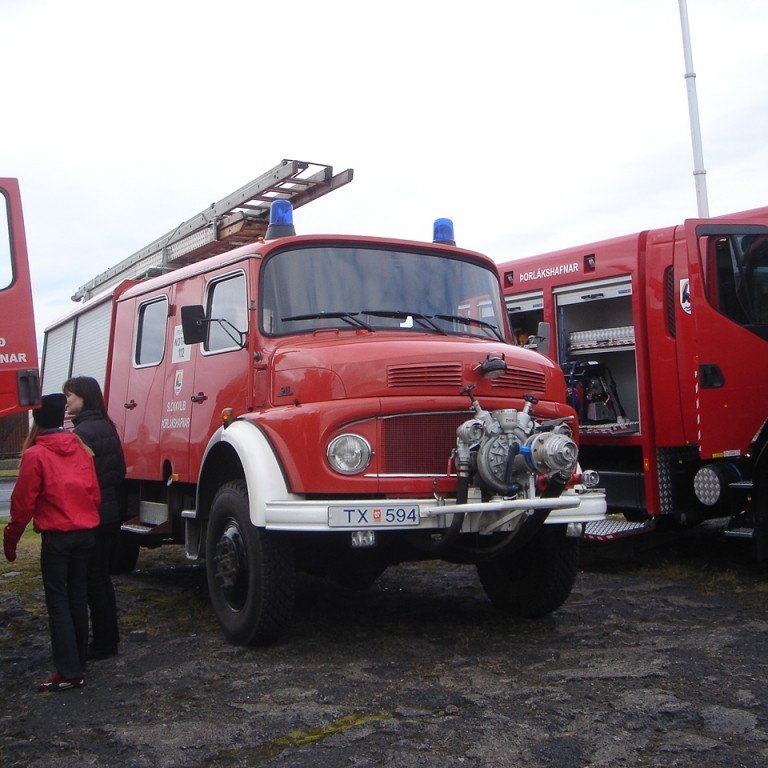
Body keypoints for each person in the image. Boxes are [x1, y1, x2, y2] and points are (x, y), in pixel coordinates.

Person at [3, 393, 101, 692]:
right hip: (85, 532)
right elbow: (94, 493)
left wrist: (12, 539)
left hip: (58, 536)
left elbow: (23, 503)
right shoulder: (81, 449)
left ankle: (69, 671)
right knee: (77, 595)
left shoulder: (35, 455)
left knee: (58, 601)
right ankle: (78, 662)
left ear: (36, 420)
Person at [63, 376, 127, 661]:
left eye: (70, 396)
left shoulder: (81, 434)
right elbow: (119, 470)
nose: (67, 402)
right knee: (102, 578)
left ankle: (102, 643)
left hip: (90, 515)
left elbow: (75, 479)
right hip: (110, 512)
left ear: (84, 398)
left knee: (91, 580)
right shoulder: (108, 427)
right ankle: (108, 639)